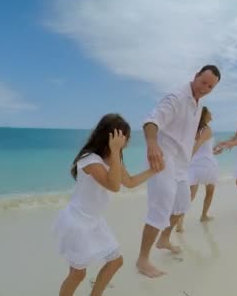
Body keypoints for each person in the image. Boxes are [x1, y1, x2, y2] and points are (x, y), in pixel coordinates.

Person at [54, 114, 163, 296]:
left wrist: (154, 170)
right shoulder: (89, 160)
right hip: (77, 222)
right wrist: (114, 152)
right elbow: (113, 186)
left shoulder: (113, 160)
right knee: (78, 273)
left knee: (115, 261)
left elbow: (128, 182)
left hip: (94, 222)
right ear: (111, 137)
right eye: (124, 137)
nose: (126, 142)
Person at [136, 65, 221, 278]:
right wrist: (152, 144)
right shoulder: (176, 97)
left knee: (182, 202)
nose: (205, 88)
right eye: (203, 82)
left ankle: (164, 238)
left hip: (182, 164)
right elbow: (151, 121)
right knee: (161, 207)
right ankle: (142, 259)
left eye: (210, 86)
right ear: (195, 77)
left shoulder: (198, 105)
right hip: (162, 159)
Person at [176, 106, 222, 232]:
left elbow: (202, 148)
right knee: (209, 191)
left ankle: (180, 223)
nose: (212, 114)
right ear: (204, 116)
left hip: (194, 165)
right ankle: (204, 215)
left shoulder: (193, 130)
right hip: (206, 165)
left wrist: (215, 151)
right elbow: (198, 145)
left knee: (190, 196)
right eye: (209, 112)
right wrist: (186, 160)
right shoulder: (206, 129)